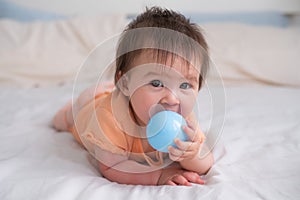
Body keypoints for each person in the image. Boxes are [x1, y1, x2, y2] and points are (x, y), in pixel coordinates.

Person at [53, 6, 214, 186]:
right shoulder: (110, 118)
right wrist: (159, 175)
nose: (172, 99)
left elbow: (206, 161)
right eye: (156, 83)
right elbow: (113, 167)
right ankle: (67, 112)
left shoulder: (182, 118)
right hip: (89, 108)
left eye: (185, 85)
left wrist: (191, 155)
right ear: (125, 83)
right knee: (69, 115)